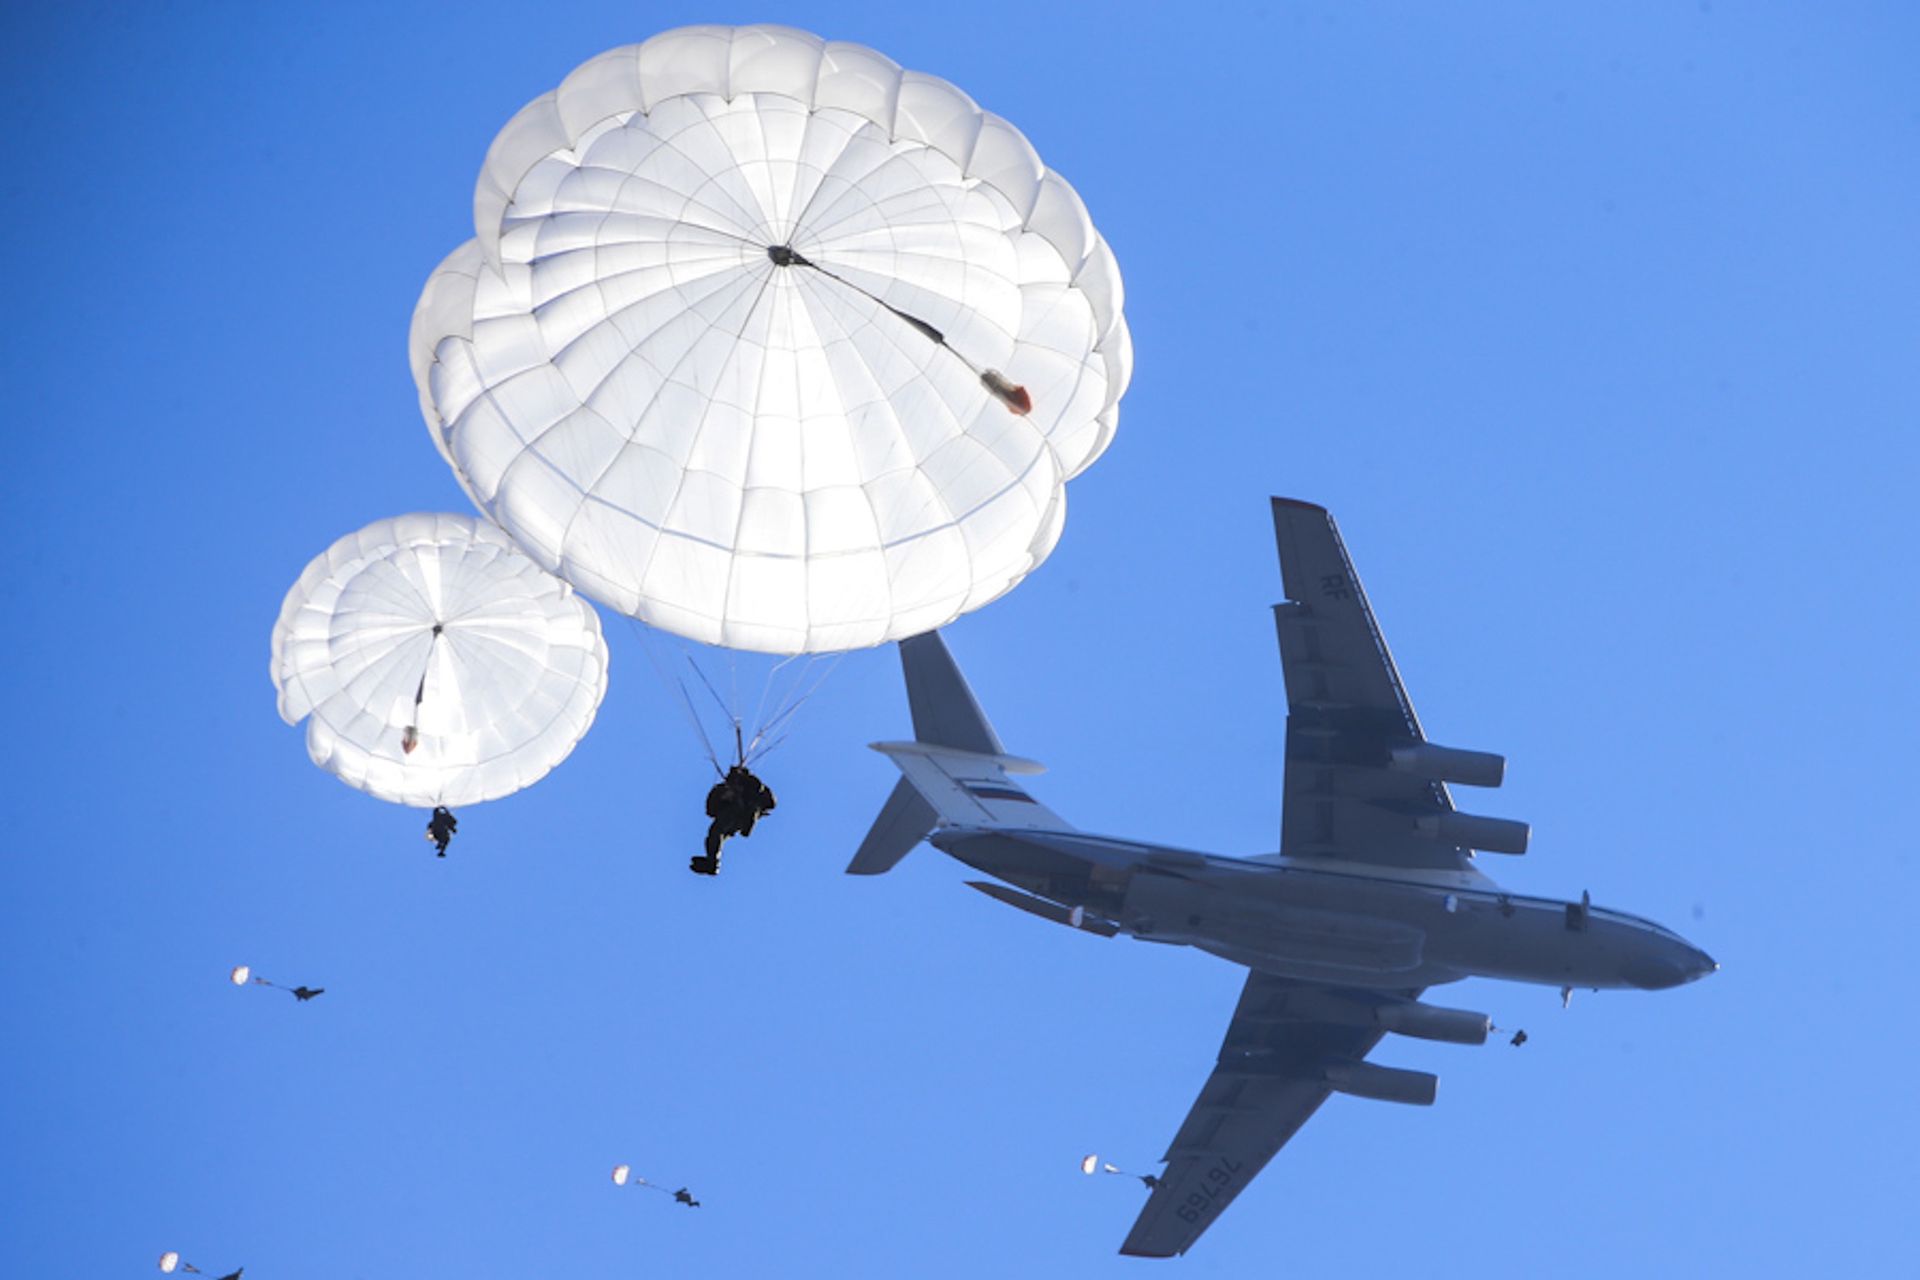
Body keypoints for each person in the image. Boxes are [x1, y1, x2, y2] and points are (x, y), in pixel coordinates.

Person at [691, 765, 776, 876]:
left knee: (717, 832)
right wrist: (725, 797)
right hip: (732, 815)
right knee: (715, 834)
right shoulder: (721, 790)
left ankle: (713, 862)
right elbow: (710, 809)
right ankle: (712, 862)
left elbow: (768, 801)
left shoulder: (753, 787)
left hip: (741, 814)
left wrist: (746, 780)